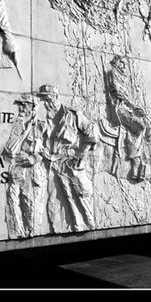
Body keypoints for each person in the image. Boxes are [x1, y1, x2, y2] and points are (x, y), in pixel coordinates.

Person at [35, 84, 99, 232]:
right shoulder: (43, 117)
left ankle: (89, 226)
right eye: (44, 100)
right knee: (54, 201)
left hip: (70, 163)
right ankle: (60, 230)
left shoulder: (73, 115)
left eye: (48, 99)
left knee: (80, 197)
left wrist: (82, 156)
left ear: (56, 97)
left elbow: (91, 134)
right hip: (52, 165)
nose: (46, 103)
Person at [2, 93, 45, 238]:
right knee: (13, 201)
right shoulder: (17, 124)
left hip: (31, 170)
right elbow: (10, 146)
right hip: (16, 168)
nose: (20, 107)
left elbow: (50, 149)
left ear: (32, 107)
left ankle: (32, 233)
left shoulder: (41, 125)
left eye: (24, 104)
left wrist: (34, 158)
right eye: (20, 104)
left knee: (30, 203)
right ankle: (17, 233)